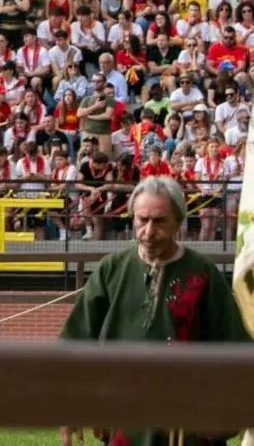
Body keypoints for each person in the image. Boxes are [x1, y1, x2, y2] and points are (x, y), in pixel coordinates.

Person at [59, 177, 250, 446]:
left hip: (191, 427)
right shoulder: (111, 269)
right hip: (124, 422)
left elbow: (235, 346)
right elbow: (75, 339)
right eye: (142, 220)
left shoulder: (203, 273)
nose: (148, 231)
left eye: (159, 221)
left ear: (178, 222)